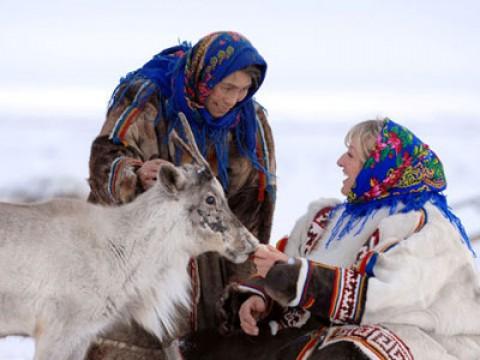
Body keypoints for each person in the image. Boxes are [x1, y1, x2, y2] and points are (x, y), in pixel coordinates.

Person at [183, 118, 480, 359]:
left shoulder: (426, 226)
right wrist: (262, 296)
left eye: (350, 155)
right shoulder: (327, 218)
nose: (340, 161)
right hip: (328, 334)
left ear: (378, 168)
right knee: (205, 349)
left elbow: (392, 299)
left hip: (419, 340)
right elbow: (291, 267)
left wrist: (296, 278)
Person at [86, 31, 276, 359]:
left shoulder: (250, 123)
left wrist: (244, 289)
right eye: (227, 87)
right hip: (134, 257)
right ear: (205, 78)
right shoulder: (147, 99)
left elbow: (254, 212)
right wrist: (135, 175)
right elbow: (105, 157)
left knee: (199, 348)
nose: (233, 100)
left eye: (244, 90)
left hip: (206, 264)